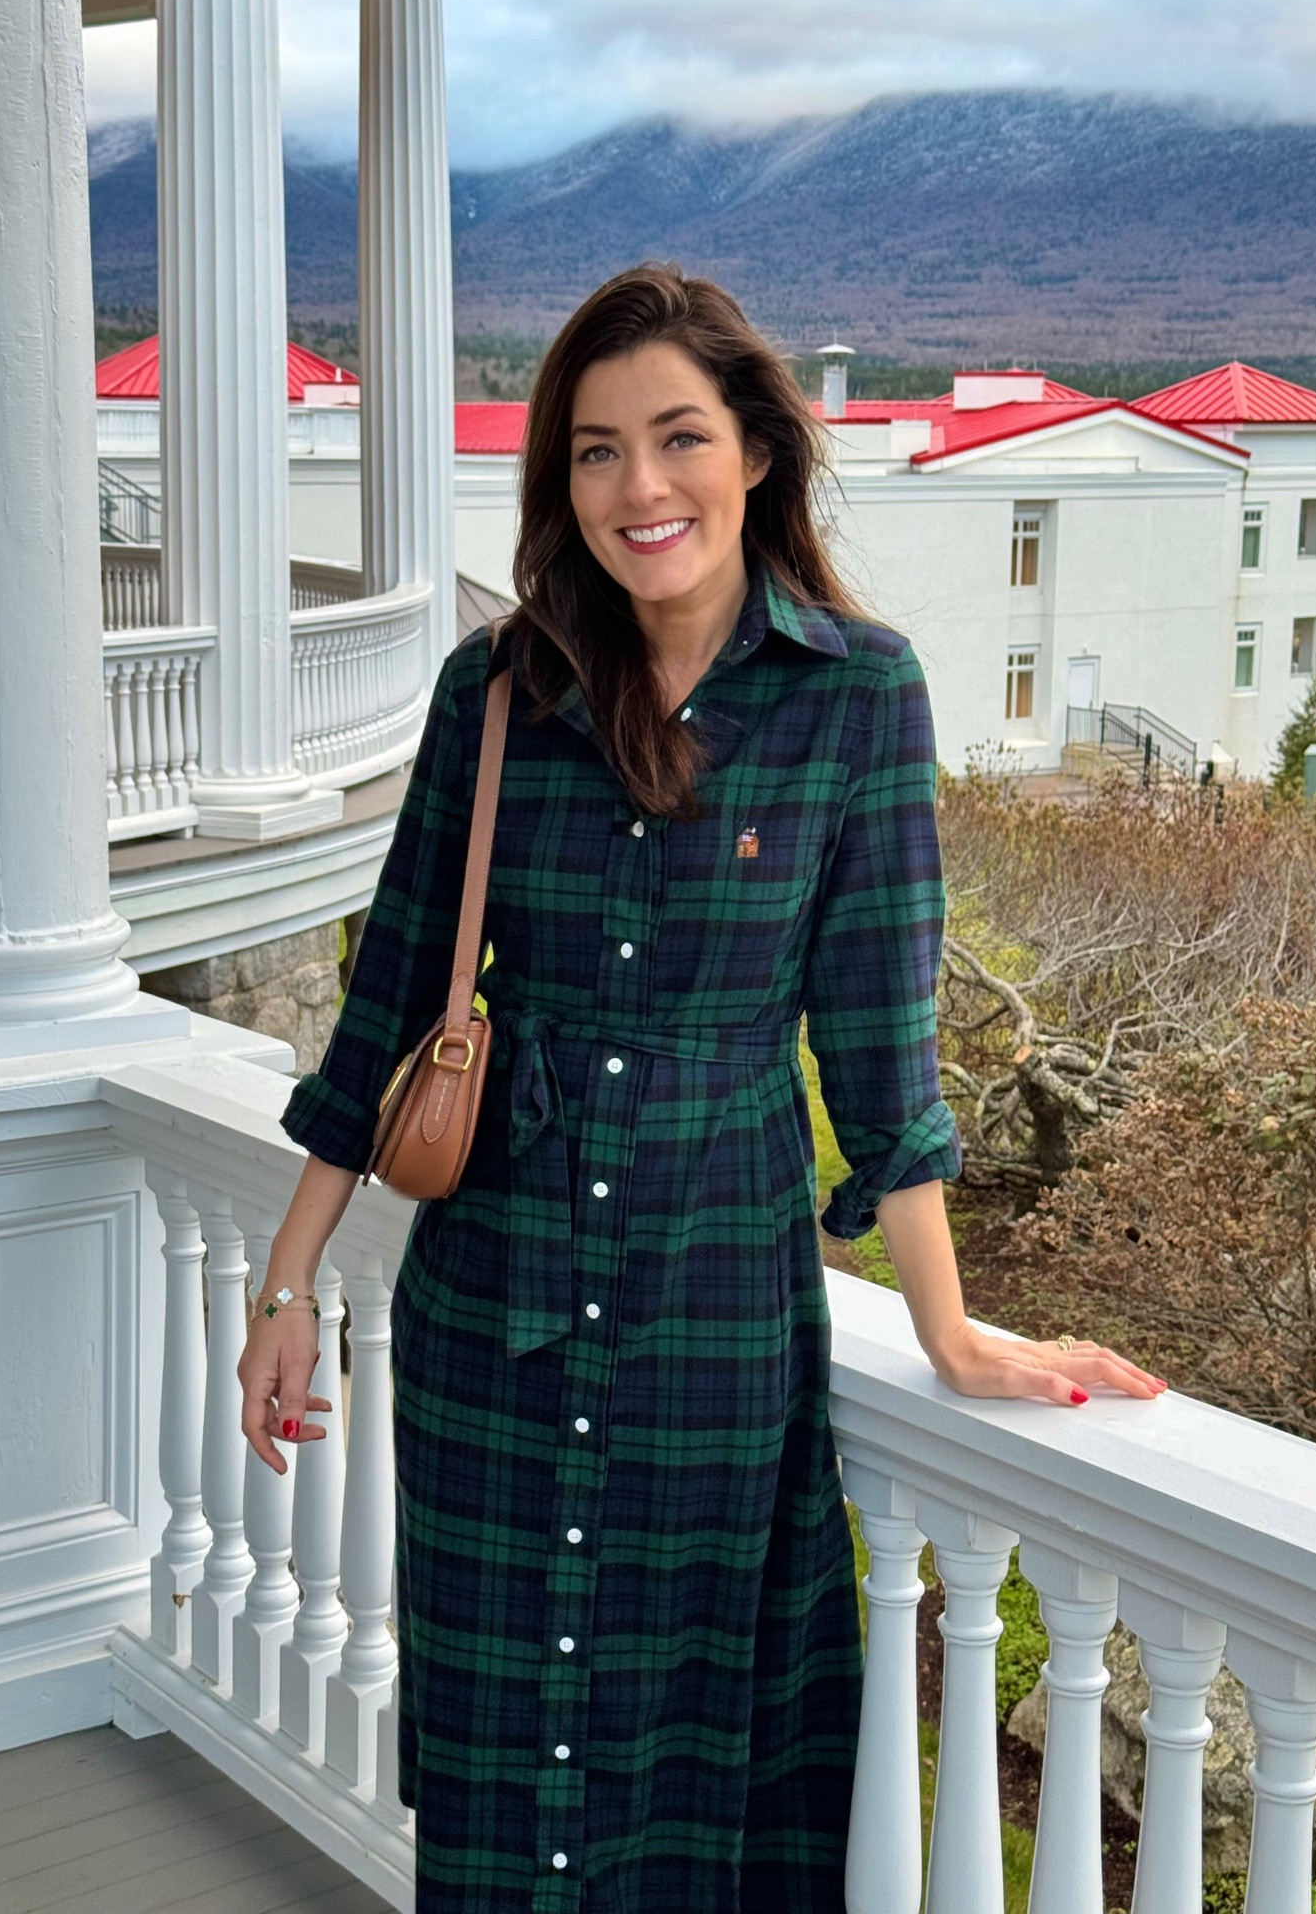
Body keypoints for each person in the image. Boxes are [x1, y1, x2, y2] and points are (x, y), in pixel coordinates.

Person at [237, 263, 1163, 1913]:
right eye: (595, 450)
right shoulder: (496, 692)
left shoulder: (855, 697)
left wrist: (951, 1328)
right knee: (503, 1779)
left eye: (677, 437)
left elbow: (875, 1044)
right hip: (491, 1318)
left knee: (693, 1781)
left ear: (756, 452)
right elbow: (388, 1010)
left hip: (714, 1324)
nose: (638, 486)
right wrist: (289, 1282)